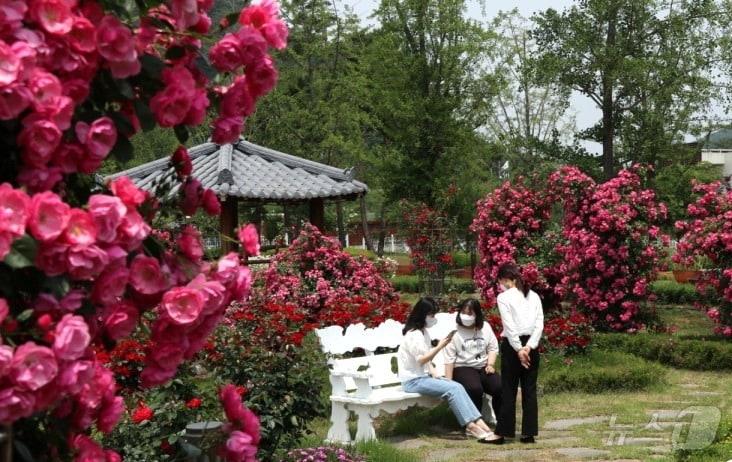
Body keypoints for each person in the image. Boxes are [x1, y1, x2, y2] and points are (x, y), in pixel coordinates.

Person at [397, 297, 500, 442]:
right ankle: (470, 425)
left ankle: (479, 422)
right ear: (423, 314)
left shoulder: (423, 332)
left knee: (456, 386)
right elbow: (421, 359)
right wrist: (440, 346)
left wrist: (435, 374)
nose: (433, 319)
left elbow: (426, 362)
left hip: (422, 378)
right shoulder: (414, 334)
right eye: (432, 315)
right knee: (454, 389)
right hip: (413, 381)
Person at [493, 263, 544, 444]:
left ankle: (503, 432)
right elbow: (539, 324)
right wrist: (529, 347)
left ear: (506, 279)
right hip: (532, 345)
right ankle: (528, 433)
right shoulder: (534, 296)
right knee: (529, 389)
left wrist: (518, 349)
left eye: (500, 281)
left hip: (513, 346)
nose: (500, 285)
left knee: (509, 388)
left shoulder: (503, 297)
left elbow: (509, 325)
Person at [443, 298, 502, 426]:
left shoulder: (485, 327)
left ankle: (502, 422)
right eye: (463, 312)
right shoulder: (455, 331)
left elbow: (492, 347)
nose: (466, 316)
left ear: (477, 314)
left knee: (499, 386)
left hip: (483, 366)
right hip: (463, 367)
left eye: (470, 313)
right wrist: (449, 382)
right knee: (474, 388)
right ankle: (474, 423)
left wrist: (490, 364)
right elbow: (449, 358)